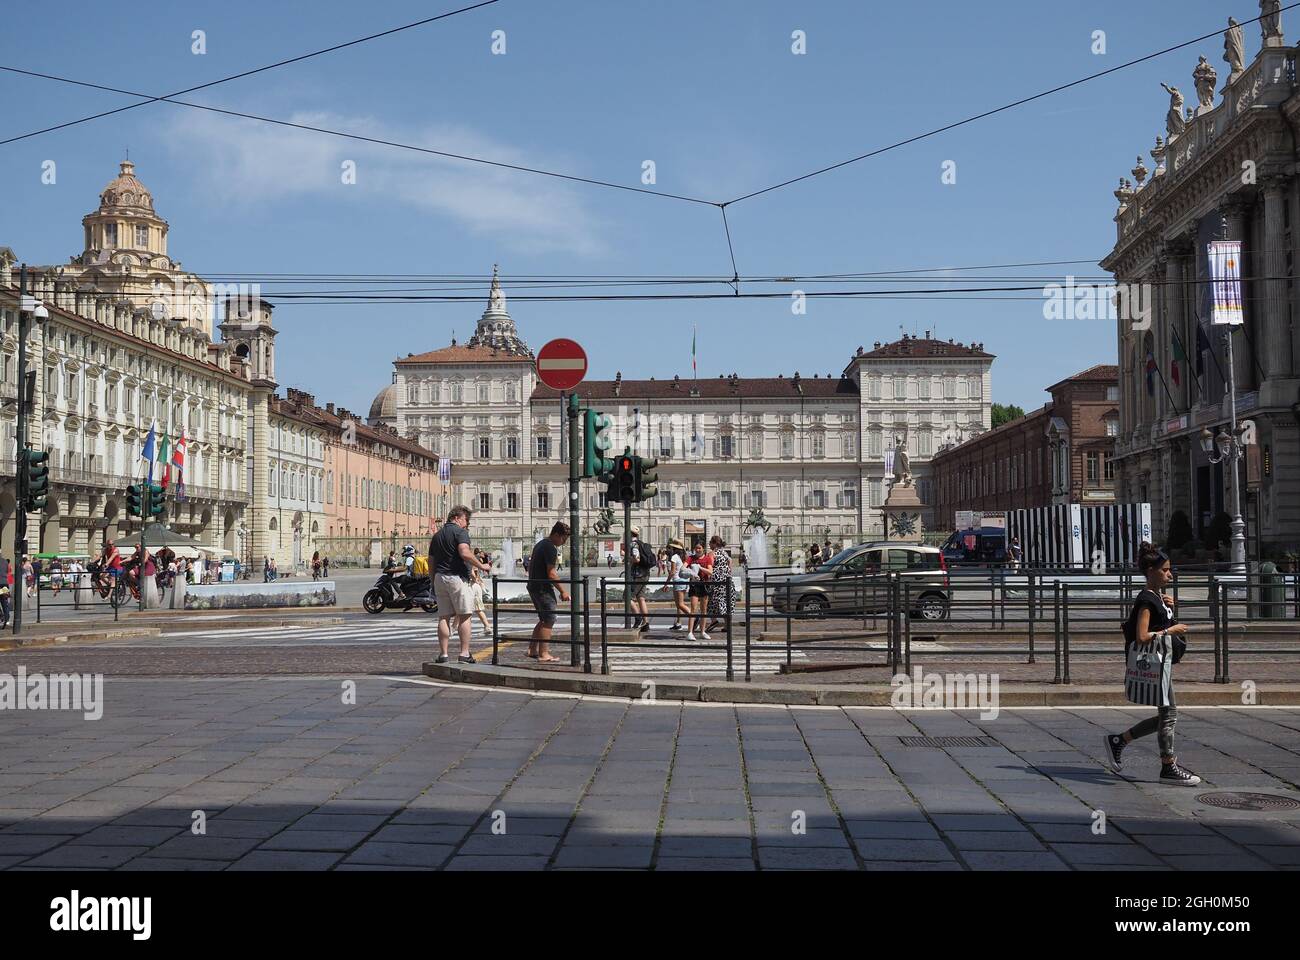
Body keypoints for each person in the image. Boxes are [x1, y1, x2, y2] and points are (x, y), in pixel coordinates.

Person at [1103, 542, 1199, 786]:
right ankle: (1168, 766)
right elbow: (1142, 636)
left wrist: (1170, 609)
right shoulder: (1147, 600)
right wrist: (1171, 629)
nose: (1170, 574)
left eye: (1169, 570)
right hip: (1155, 664)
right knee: (1169, 714)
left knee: (1167, 715)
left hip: (1161, 664)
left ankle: (1120, 741)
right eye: (1165, 570)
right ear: (1150, 571)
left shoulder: (1158, 597)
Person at [430, 506, 491, 665]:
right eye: (466, 520)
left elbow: (431, 562)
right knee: (465, 615)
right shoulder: (460, 533)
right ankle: (464, 653)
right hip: (456, 577)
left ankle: (443, 654)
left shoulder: (437, 536)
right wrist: (481, 565)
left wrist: (432, 580)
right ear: (457, 518)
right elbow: (464, 552)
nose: (466, 524)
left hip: (439, 577)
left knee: (443, 617)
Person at [526, 521, 571, 663]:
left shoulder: (541, 543)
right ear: (557, 535)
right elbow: (551, 574)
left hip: (534, 586)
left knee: (543, 619)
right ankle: (544, 653)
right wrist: (563, 591)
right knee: (549, 620)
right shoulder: (550, 548)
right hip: (543, 589)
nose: (564, 542)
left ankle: (532, 649)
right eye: (564, 538)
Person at [705, 535, 735, 634]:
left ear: (714, 543)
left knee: (712, 602)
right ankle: (727, 625)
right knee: (725, 602)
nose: (709, 544)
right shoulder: (724, 552)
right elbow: (730, 561)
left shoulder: (712, 554)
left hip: (717, 581)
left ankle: (713, 621)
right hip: (727, 580)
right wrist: (729, 572)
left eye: (710, 542)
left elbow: (711, 567)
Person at [627, 526, 653, 632]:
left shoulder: (633, 544)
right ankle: (646, 623)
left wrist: (627, 557)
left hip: (637, 575)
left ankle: (638, 619)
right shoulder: (641, 543)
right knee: (641, 598)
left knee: (627, 597)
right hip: (645, 573)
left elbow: (636, 559)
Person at [665, 539, 691, 633]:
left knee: (680, 604)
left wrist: (666, 583)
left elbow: (672, 572)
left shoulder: (674, 557)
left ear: (674, 548)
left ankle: (694, 617)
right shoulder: (684, 556)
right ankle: (678, 623)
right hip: (685, 581)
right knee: (680, 604)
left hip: (678, 581)